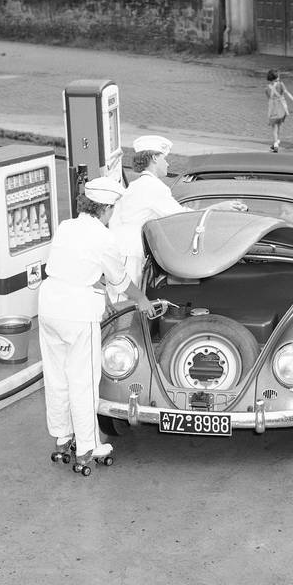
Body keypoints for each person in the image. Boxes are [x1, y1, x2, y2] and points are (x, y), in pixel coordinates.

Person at [38, 177, 154, 474]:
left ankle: (63, 438)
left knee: (56, 377)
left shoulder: (66, 227)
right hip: (77, 313)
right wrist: (142, 300)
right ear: (105, 208)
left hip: (49, 306)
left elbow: (78, 266)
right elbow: (121, 280)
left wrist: (100, 293)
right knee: (83, 381)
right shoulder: (104, 238)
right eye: (112, 208)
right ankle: (88, 446)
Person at [108, 134, 245, 287]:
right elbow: (181, 218)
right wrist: (218, 207)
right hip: (129, 254)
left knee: (123, 300)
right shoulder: (153, 187)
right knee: (124, 302)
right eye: (164, 158)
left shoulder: (137, 185)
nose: (167, 164)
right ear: (154, 158)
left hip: (121, 250)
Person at [265, 69, 293, 152]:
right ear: (276, 77)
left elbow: (269, 100)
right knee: (279, 125)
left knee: (274, 128)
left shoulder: (267, 88)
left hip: (273, 110)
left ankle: (276, 143)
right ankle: (276, 142)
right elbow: (287, 93)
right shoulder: (281, 84)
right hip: (282, 109)